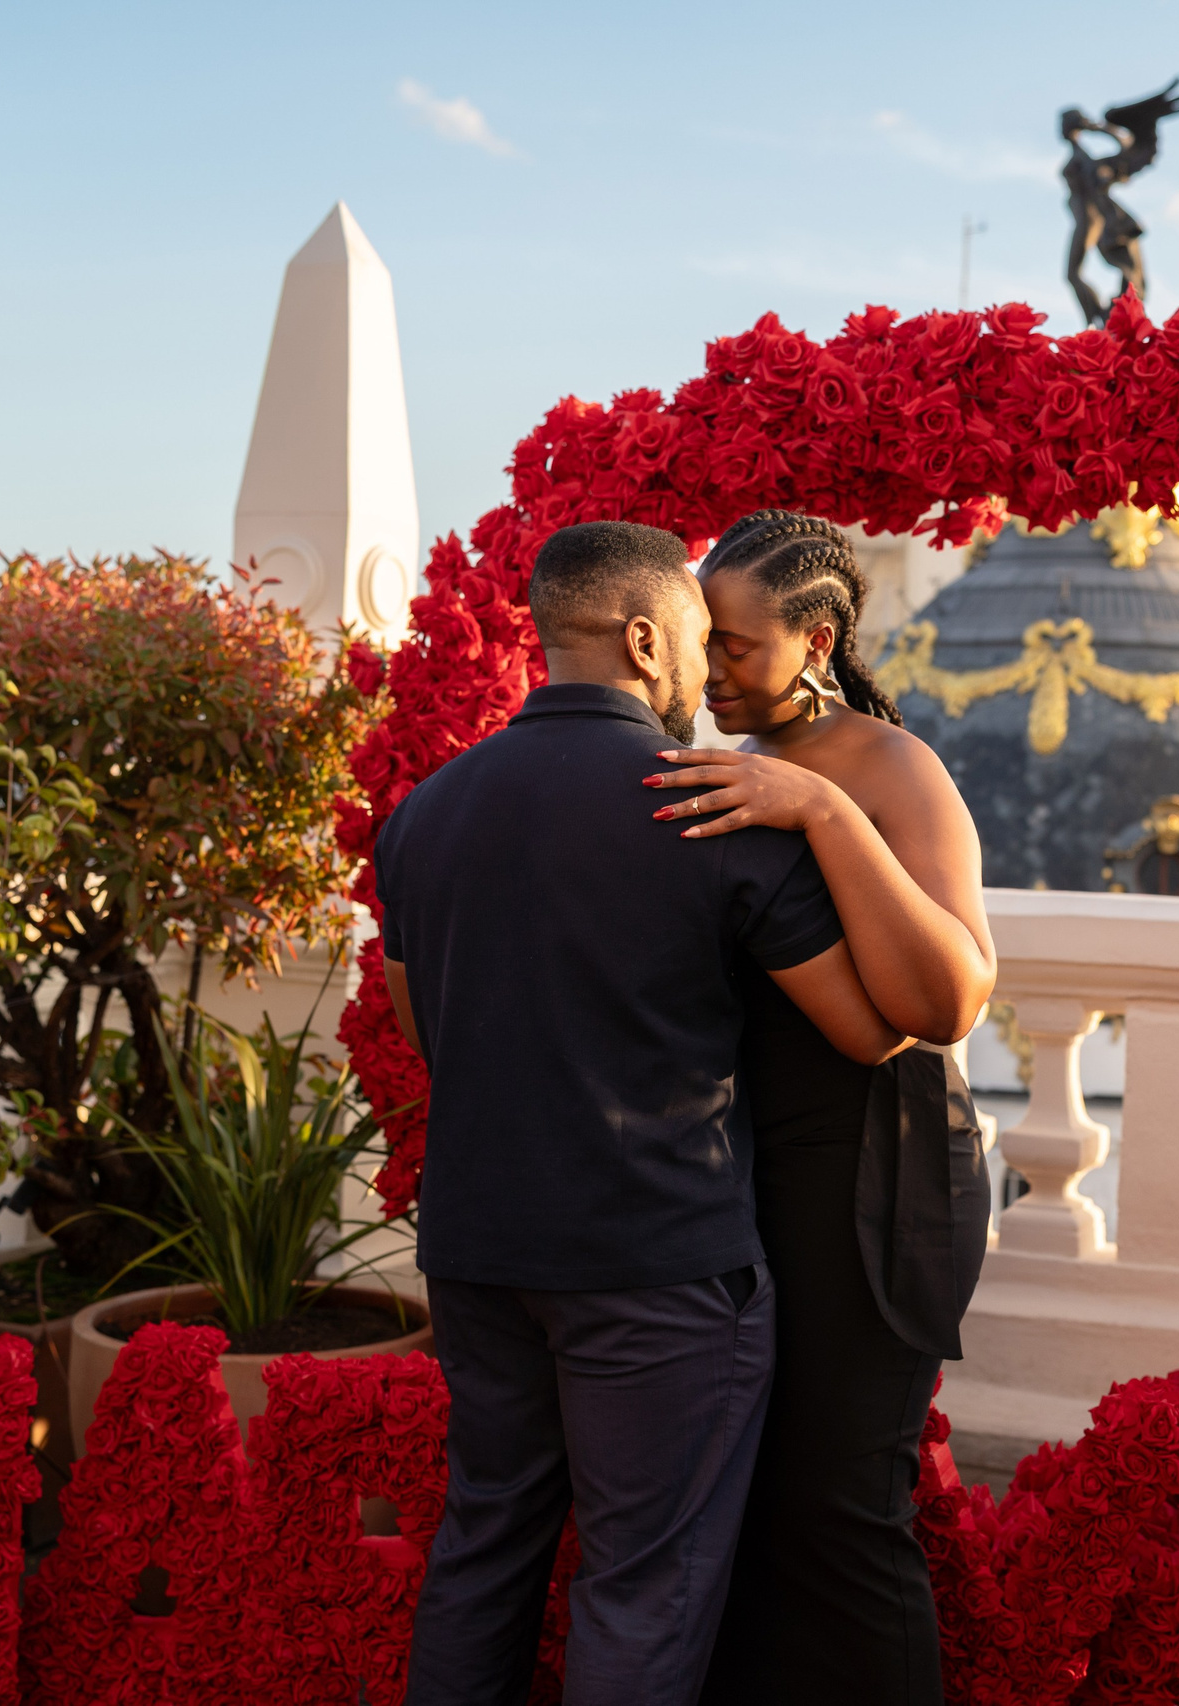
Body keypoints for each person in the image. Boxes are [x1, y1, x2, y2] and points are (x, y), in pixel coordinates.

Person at [377, 520, 903, 1706]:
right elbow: (875, 1029)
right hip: (654, 1261)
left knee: (482, 1547)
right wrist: (824, 815)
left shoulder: (425, 813)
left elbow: (428, 1028)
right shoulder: (705, 807)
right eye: (694, 642)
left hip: (477, 1247)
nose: (701, 673)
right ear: (641, 634)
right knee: (641, 1584)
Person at [645, 512, 996, 1706]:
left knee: (838, 1510)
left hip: (872, 1174)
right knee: (741, 1504)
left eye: (735, 645)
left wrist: (821, 811)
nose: (713, 669)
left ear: (817, 639)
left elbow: (944, 1000)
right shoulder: (701, 755)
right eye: (704, 642)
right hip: (741, 1172)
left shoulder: (887, 768)